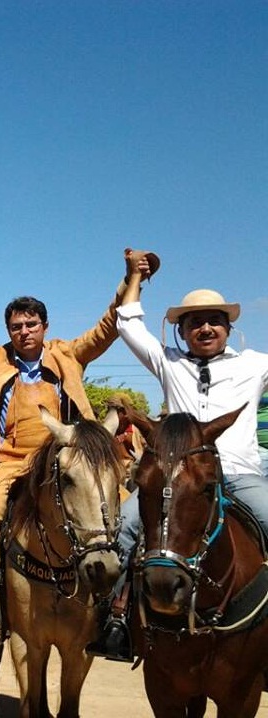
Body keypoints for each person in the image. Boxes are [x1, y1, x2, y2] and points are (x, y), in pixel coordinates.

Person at [0, 249, 157, 649]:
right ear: (9, 330)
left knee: (120, 516)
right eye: (16, 326)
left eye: (31, 324)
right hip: (11, 460)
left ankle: (116, 610)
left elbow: (108, 327)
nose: (24, 331)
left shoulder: (68, 354)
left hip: (67, 456)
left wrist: (129, 282)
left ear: (44, 326)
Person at [89, 261, 268, 661]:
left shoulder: (255, 364)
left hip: (240, 474)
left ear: (228, 329)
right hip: (178, 477)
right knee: (125, 530)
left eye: (214, 322)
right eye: (195, 323)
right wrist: (135, 277)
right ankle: (115, 620)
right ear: (182, 331)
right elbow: (129, 326)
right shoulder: (170, 362)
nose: (205, 329)